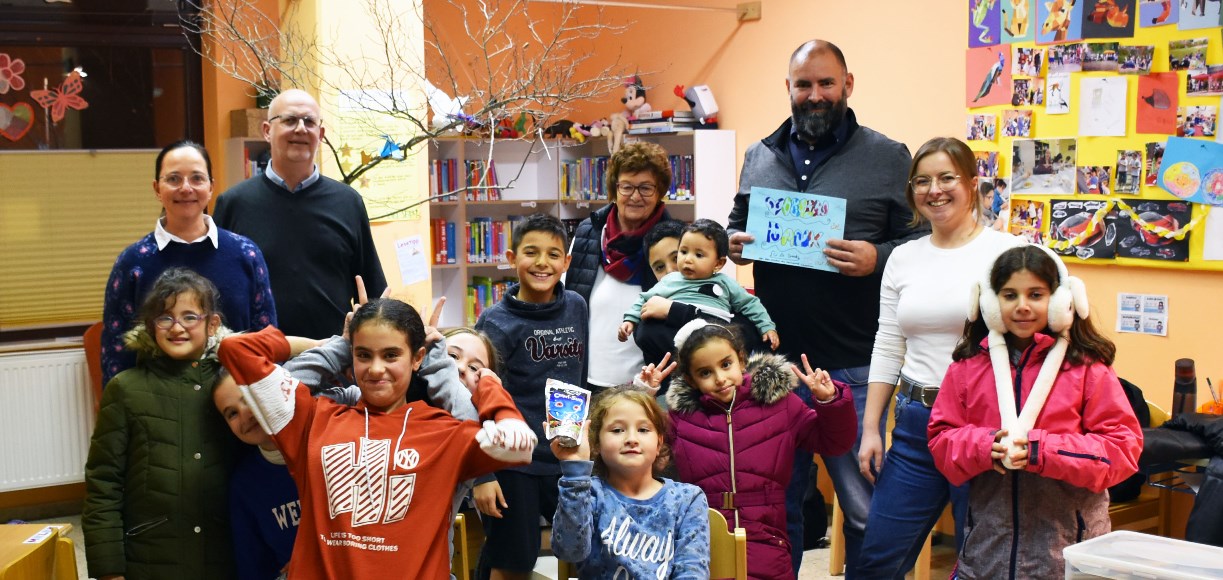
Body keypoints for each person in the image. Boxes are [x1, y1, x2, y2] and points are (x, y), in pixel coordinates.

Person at [726, 39, 926, 574]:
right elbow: (735, 220)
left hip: (856, 364)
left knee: (866, 511)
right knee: (772, 509)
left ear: (848, 85)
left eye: (826, 84)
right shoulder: (759, 155)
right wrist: (732, 241)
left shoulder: (888, 156)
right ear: (788, 89)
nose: (815, 95)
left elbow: (926, 243)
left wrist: (877, 256)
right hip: (774, 364)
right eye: (803, 85)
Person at [217, 299, 536, 578]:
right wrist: (337, 346)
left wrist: (489, 387)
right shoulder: (313, 419)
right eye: (364, 355)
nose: (376, 369)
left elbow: (519, 447)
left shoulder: (442, 432)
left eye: (391, 355)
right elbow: (237, 350)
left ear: (416, 358)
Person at [854, 137, 1025, 578]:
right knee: (877, 559)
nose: (936, 190)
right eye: (923, 181)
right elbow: (889, 342)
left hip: (985, 427)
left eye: (947, 177)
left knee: (979, 562)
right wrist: (871, 427)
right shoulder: (903, 259)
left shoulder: (1008, 253)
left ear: (971, 184)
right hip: (914, 424)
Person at [929, 245, 1142, 578]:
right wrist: (986, 447)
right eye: (1010, 295)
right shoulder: (966, 368)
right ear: (989, 302)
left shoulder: (1087, 369)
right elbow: (942, 441)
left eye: (1036, 294)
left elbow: (1122, 449)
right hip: (986, 554)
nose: (1022, 306)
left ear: (1061, 301)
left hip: (1067, 558)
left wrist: (1044, 451)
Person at [652, 320, 856, 580]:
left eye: (726, 364)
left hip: (768, 536)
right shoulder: (682, 418)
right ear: (691, 380)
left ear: (741, 359)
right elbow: (643, 456)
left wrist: (829, 401)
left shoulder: (781, 404)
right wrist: (643, 393)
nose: (720, 378)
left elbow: (834, 442)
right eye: (705, 373)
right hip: (704, 539)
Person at [84, 267, 241, 580]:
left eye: (189, 316)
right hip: (150, 556)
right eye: (165, 317)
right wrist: (108, 568)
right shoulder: (126, 389)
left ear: (213, 324)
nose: (177, 327)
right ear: (150, 325)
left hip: (225, 554)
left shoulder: (232, 385)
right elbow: (103, 483)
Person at [214, 88, 387, 340]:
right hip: (257, 360)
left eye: (309, 121)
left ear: (321, 134)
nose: (300, 129)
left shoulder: (347, 202)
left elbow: (373, 289)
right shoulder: (234, 203)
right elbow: (215, 287)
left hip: (332, 358)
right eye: (289, 120)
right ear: (266, 131)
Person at [102, 140, 276, 385]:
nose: (186, 188)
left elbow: (267, 340)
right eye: (173, 179)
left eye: (197, 178)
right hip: (159, 409)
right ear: (156, 188)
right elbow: (116, 355)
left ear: (211, 187)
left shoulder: (245, 253)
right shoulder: (133, 262)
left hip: (238, 407)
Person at [473, 213, 588, 580]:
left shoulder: (576, 305)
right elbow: (476, 398)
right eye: (531, 252)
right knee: (513, 560)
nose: (542, 263)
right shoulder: (495, 320)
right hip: (513, 462)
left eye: (554, 255)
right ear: (511, 257)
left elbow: (579, 376)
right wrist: (482, 474)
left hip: (565, 457)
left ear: (566, 262)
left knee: (584, 549)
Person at [550, 388, 711, 578]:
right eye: (617, 430)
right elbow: (569, 551)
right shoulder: (588, 492)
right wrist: (575, 472)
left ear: (659, 442)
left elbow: (692, 572)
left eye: (643, 430)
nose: (632, 439)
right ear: (596, 443)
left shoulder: (688, 499)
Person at [566, 142, 681, 390]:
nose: (635, 196)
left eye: (646, 188)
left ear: (660, 191)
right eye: (627, 186)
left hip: (650, 384)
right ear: (615, 189)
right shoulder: (588, 233)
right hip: (586, 380)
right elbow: (566, 301)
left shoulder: (675, 242)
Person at [620, 219, 779, 350]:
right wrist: (629, 320)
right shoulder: (670, 282)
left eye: (698, 254)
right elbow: (643, 299)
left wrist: (767, 327)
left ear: (718, 263)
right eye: (683, 252)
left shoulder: (725, 283)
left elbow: (750, 304)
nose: (688, 259)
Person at [214, 371, 299, 580]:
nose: (245, 415)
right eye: (231, 413)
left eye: (250, 399)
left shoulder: (330, 445)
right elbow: (253, 569)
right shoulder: (245, 485)